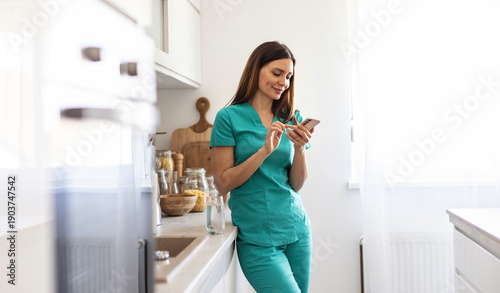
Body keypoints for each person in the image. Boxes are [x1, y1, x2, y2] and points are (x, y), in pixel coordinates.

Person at [210, 41, 315, 292]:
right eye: (276, 73)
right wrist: (264, 151)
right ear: (255, 70)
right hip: (258, 240)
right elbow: (223, 183)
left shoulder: (291, 117)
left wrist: (300, 150)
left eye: (288, 76)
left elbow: (297, 184)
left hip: (297, 230)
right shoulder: (228, 118)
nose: (283, 82)